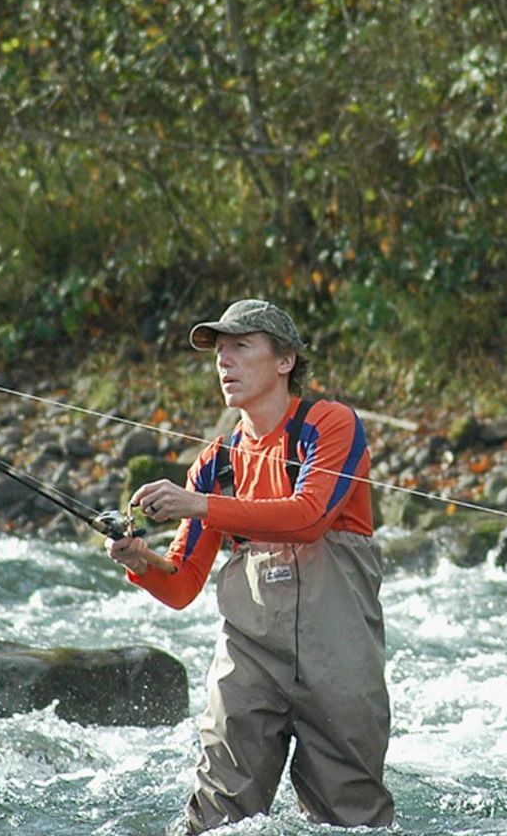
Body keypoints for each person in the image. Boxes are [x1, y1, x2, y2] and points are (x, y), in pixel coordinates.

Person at [105, 298, 394, 833]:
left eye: (241, 347)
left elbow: (308, 518)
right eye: (219, 351)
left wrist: (197, 505)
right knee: (217, 819)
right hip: (250, 655)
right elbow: (182, 583)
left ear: (285, 361)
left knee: (351, 820)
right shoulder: (215, 462)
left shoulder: (331, 425)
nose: (224, 362)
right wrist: (142, 561)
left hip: (339, 651)